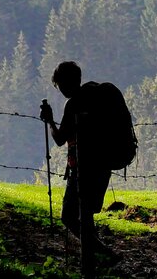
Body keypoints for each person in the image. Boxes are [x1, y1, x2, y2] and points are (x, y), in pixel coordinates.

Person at [39, 61, 116, 258]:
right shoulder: (97, 98)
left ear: (65, 83)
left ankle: (101, 254)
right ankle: (95, 258)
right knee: (87, 213)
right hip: (102, 165)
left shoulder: (73, 104)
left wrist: (49, 121)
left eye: (59, 85)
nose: (60, 89)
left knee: (69, 216)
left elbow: (59, 139)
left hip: (81, 168)